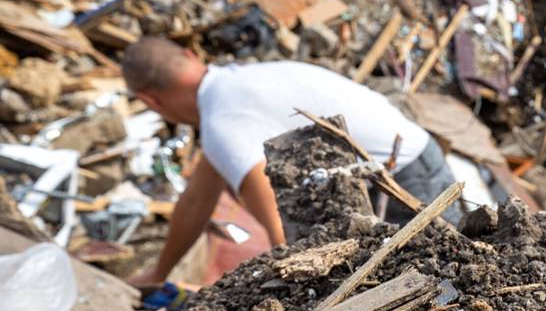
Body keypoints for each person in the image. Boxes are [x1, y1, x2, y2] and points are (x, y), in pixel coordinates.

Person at [122, 37, 459, 287]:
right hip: (416, 158)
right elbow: (196, 200)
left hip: (405, 189)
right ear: (189, 55)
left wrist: (296, 283)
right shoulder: (239, 83)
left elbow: (275, 214)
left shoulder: (222, 119)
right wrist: (158, 274)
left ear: (150, 100)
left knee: (448, 286)